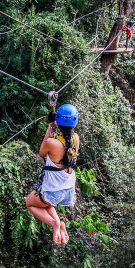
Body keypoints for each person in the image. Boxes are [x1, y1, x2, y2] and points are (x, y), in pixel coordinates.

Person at [25, 104, 80, 245]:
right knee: (46, 203)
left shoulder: (52, 143)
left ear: (58, 120)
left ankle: (54, 224)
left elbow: (41, 152)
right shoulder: (76, 139)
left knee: (30, 204)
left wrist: (50, 126)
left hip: (53, 191)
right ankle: (59, 224)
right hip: (68, 192)